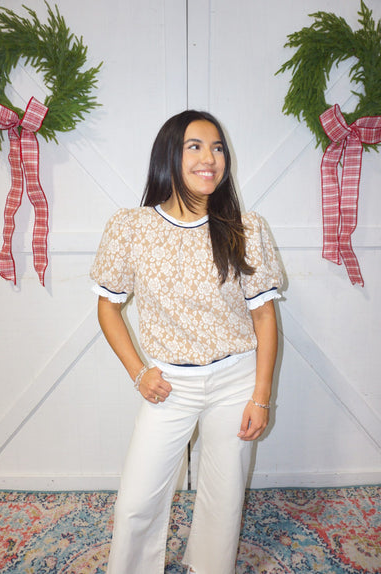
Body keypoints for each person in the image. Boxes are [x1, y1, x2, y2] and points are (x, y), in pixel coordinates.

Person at [90, 110, 283, 574]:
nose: (209, 158)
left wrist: (261, 397)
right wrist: (139, 372)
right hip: (169, 386)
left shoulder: (246, 227)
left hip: (235, 380)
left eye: (218, 148)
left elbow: (265, 317)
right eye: (195, 146)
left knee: (223, 497)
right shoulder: (131, 227)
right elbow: (107, 307)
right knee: (137, 501)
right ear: (169, 155)